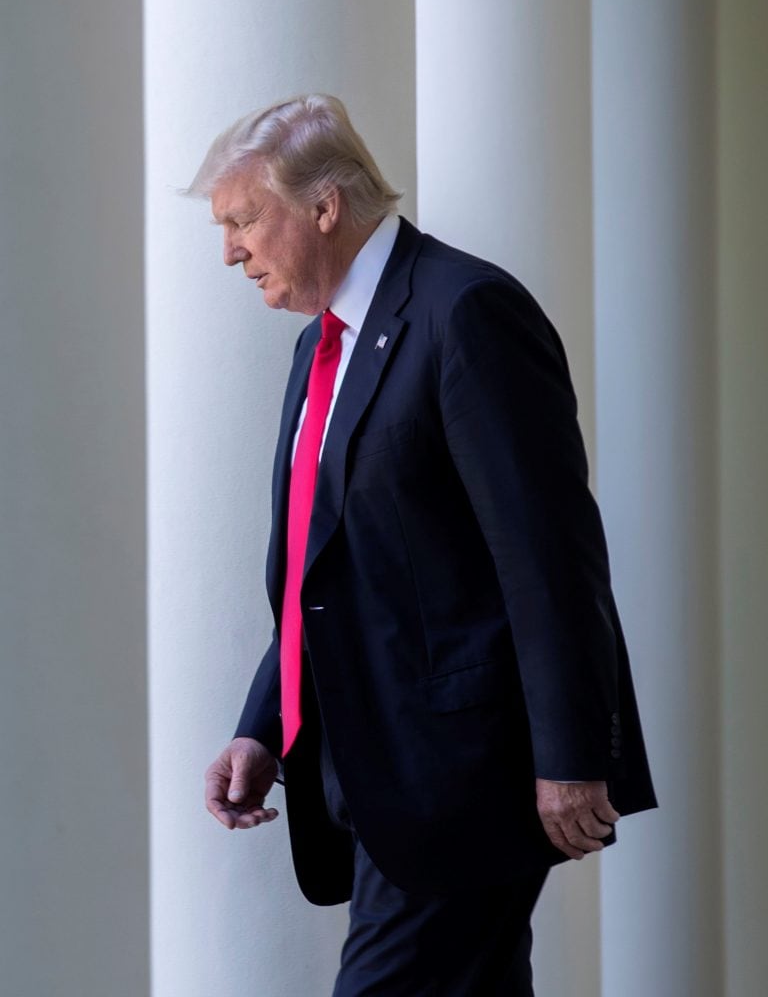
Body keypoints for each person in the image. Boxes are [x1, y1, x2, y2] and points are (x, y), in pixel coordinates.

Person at [192, 94, 656, 996]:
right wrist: (265, 727)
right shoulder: (315, 349)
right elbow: (319, 570)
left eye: (245, 220)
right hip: (365, 774)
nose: (230, 251)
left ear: (324, 206)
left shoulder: (467, 311)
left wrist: (571, 757)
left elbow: (550, 555)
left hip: (458, 782)